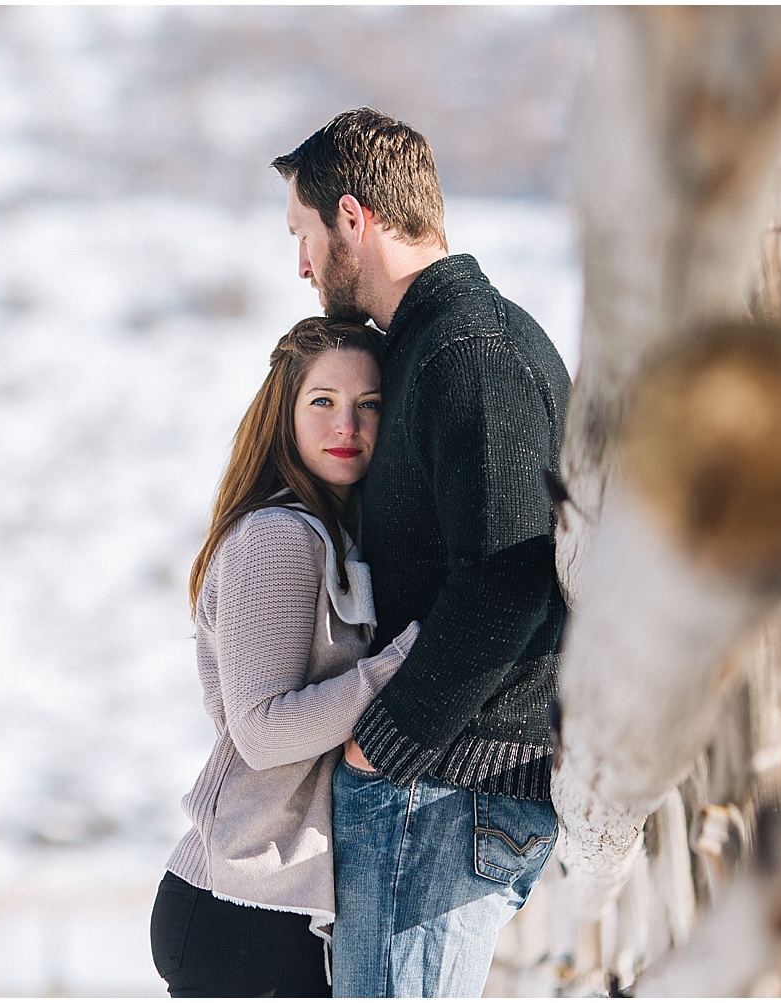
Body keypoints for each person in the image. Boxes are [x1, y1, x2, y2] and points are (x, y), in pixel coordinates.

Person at [272, 108, 572, 997]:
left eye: (304, 233)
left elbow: (515, 570)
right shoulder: (434, 348)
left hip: (444, 789)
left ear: (354, 219)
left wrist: (386, 744)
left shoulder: (470, 351)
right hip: (442, 785)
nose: (300, 263)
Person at [149, 317, 421, 998]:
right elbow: (263, 729)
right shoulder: (278, 536)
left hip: (276, 905)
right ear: (285, 413)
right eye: (323, 401)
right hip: (239, 909)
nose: (347, 425)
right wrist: (403, 662)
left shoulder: (335, 533)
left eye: (369, 405)